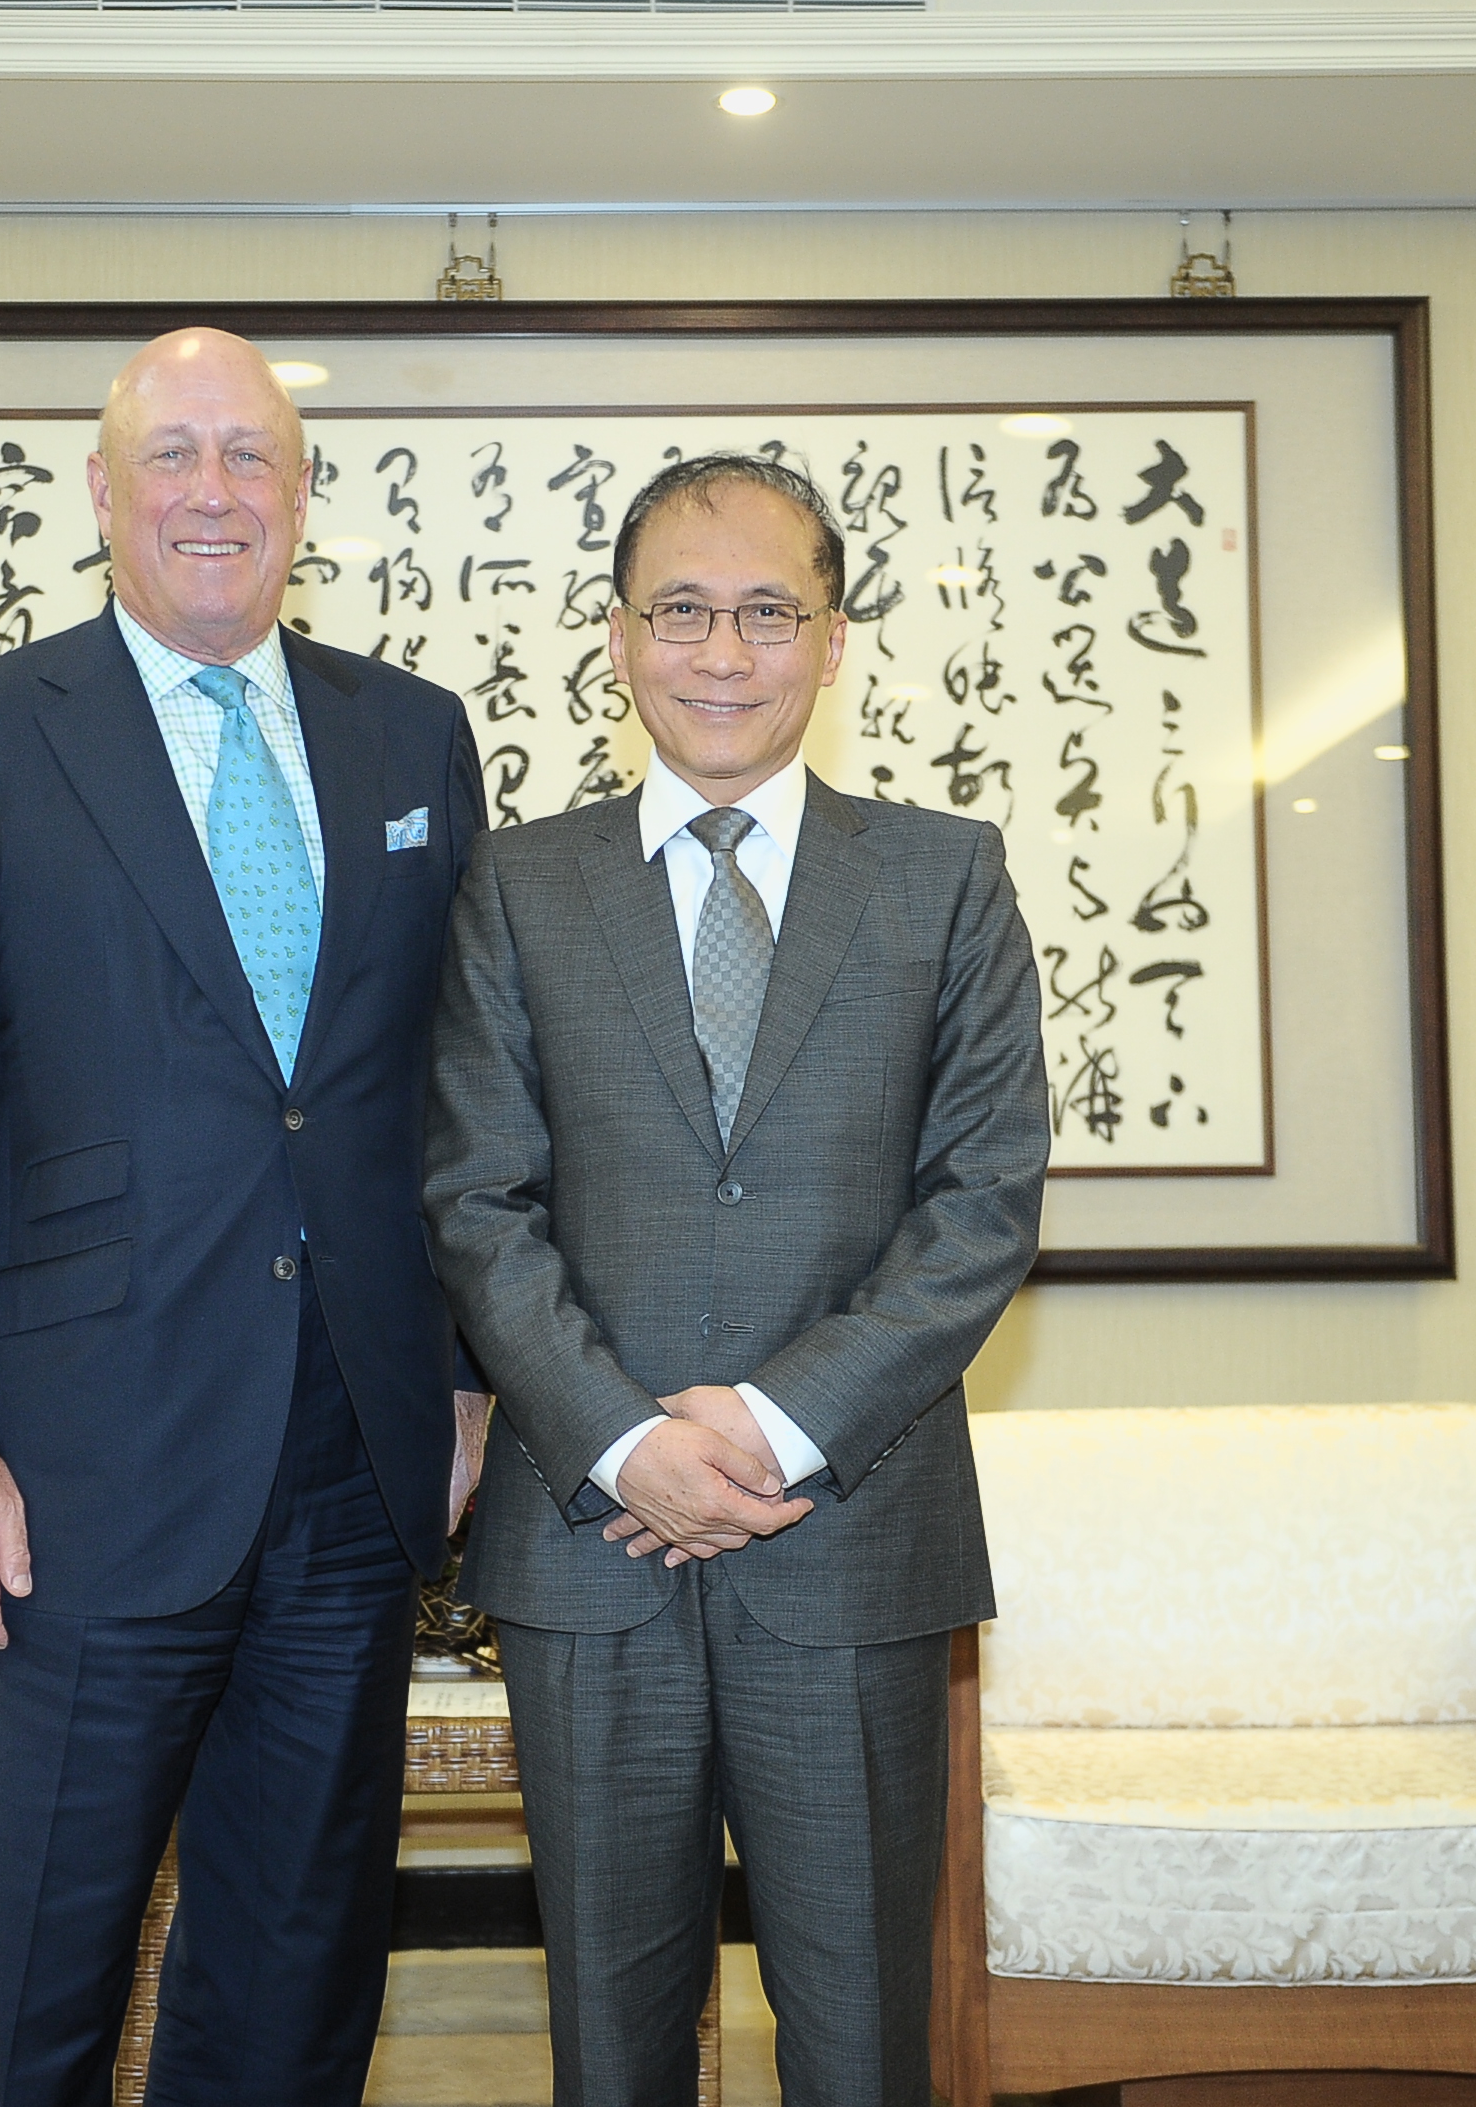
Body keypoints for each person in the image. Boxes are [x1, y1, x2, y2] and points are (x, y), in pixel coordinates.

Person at [0, 328, 489, 2107]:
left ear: (302, 495)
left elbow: (453, 1091)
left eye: (250, 455)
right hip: (70, 1486)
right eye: (173, 455)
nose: (214, 492)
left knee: (291, 1989)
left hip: (350, 1471)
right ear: (103, 492)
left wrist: (466, 1376)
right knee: (22, 1996)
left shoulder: (411, 735)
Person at [422, 453, 1049, 2106]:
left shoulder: (944, 878)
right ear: (618, 638)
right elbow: (478, 1199)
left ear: (833, 641)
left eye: (769, 612)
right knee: (610, 2046)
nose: (722, 651)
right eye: (681, 611)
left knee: (862, 2043)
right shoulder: (519, 885)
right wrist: (628, 1442)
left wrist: (773, 1425)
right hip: (591, 1550)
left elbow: (983, 1202)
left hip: (852, 1539)